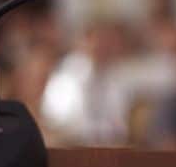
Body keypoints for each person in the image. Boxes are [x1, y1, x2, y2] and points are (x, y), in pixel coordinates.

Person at [40, 18, 132, 146]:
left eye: (108, 43)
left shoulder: (115, 77)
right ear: (85, 42)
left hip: (107, 150)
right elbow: (58, 123)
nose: (103, 47)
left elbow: (119, 126)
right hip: (71, 149)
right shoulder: (65, 77)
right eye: (99, 41)